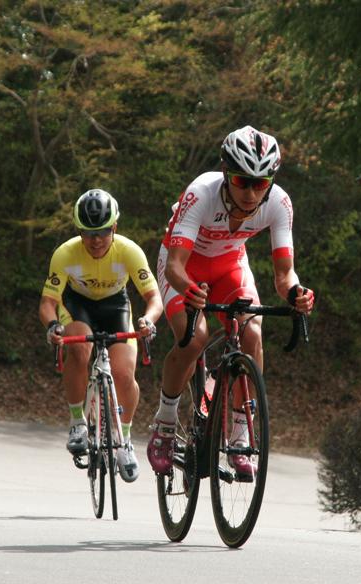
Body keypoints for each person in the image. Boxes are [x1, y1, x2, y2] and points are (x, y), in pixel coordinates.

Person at [147, 126, 315, 477]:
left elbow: (285, 275)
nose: (252, 193)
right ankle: (164, 424)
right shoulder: (201, 193)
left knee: (252, 329)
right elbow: (176, 266)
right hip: (183, 267)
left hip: (228, 266)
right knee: (194, 338)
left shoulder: (279, 203)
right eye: (242, 181)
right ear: (226, 174)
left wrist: (297, 294)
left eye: (261, 183)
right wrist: (191, 291)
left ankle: (240, 432)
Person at [40, 189, 163, 483]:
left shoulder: (130, 251)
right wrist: (52, 326)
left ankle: (127, 439)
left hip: (115, 306)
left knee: (123, 373)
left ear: (115, 228)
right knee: (80, 351)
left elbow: (154, 297)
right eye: (88, 233)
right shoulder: (65, 254)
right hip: (77, 306)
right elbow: (48, 302)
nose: (96, 240)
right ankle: (77, 422)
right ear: (79, 231)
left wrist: (148, 320)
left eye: (103, 232)